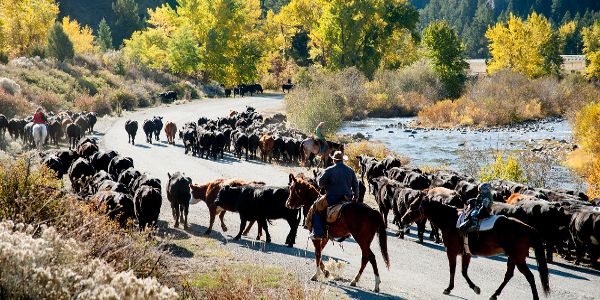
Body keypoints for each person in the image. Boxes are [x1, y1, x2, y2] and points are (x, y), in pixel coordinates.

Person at [309, 150, 360, 240]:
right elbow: (356, 185)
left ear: (334, 160)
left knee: (316, 208)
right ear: (342, 160)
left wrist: (318, 179)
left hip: (332, 198)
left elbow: (320, 184)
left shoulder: (329, 170)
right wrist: (356, 197)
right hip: (347, 198)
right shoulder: (350, 170)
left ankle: (318, 233)